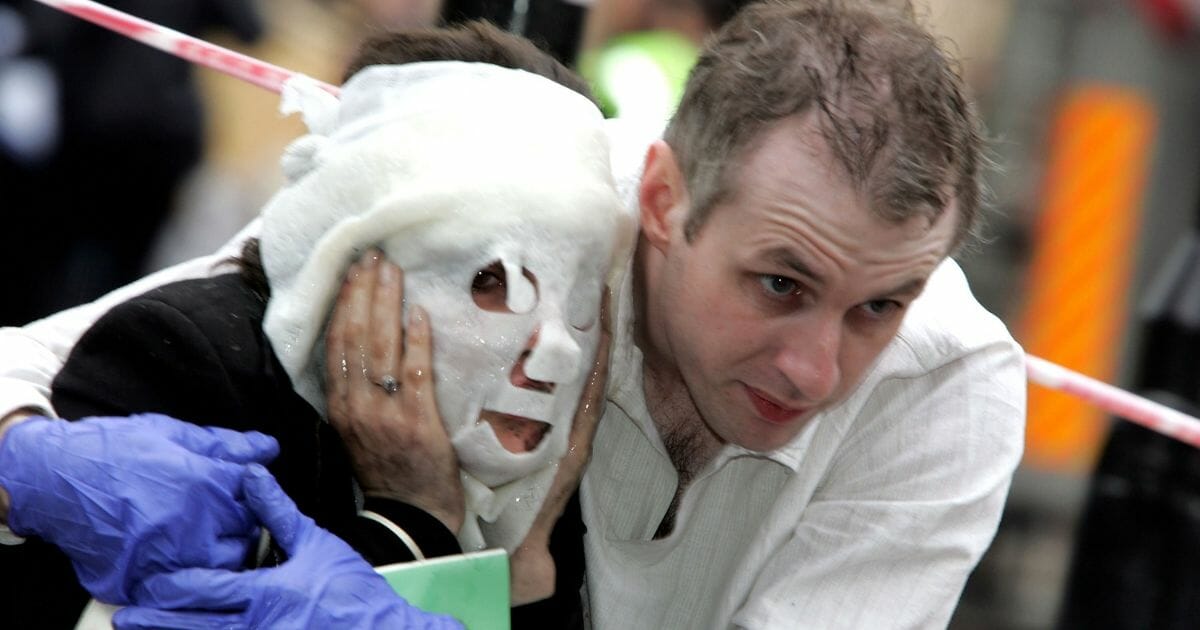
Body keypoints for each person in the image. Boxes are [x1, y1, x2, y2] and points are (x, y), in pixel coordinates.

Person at [0, 1, 1026, 627]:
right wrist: (25, 452)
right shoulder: (531, 204)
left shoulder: (946, 392)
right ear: (659, 203)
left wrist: (443, 585)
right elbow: (81, 349)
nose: (815, 371)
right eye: (781, 285)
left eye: (879, 306)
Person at [1, 22, 630, 629]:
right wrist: (411, 524)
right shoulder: (194, 364)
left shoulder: (547, 481)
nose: (556, 354)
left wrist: (526, 567)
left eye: (575, 298)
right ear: (358, 254)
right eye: (493, 281)